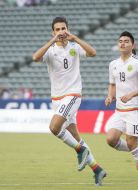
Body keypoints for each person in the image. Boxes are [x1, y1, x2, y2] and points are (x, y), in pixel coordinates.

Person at [32, 16, 106, 186]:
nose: (61, 32)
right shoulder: (50, 50)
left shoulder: (74, 46)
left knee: (54, 127)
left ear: (68, 29)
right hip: (57, 99)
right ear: (53, 32)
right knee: (75, 135)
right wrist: (52, 41)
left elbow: (93, 53)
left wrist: (76, 38)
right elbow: (35, 57)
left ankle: (81, 150)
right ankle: (97, 169)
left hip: (72, 95)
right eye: (57, 29)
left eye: (63, 28)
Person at [105, 31, 138, 183]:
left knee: (132, 142)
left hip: (134, 110)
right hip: (119, 111)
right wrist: (110, 96)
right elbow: (112, 84)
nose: (123, 43)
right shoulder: (113, 64)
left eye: (126, 41)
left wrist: (131, 95)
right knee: (111, 139)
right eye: (120, 41)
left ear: (133, 45)